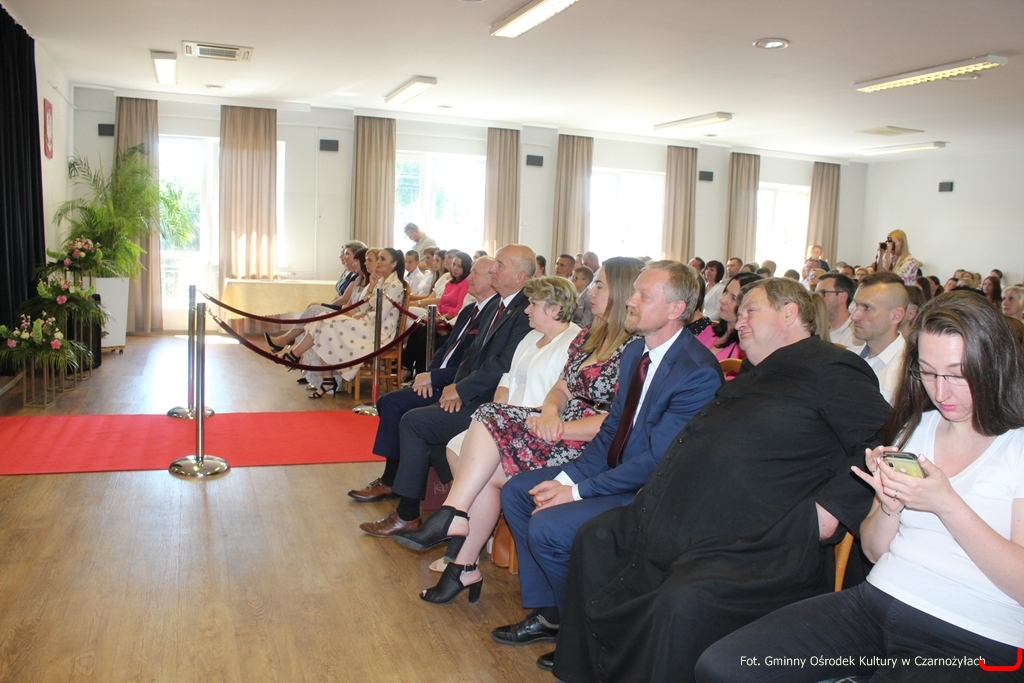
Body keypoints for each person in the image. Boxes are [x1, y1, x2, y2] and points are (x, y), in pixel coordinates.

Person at [552, 277, 891, 683]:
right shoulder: (756, 371)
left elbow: (882, 439)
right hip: (686, 518)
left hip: (754, 538)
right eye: (739, 311)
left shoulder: (830, 365)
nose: (739, 320)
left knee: (680, 600)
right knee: (596, 539)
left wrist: (831, 511)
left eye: (751, 310)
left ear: (789, 313)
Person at [697, 291, 1024, 683]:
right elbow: (872, 550)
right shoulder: (914, 430)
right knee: (723, 666)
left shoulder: (1016, 446)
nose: (940, 393)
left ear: (992, 365)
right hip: (877, 604)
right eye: (928, 372)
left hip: (975, 637)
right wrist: (889, 507)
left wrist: (948, 505)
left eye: (956, 374)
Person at [493, 261, 724, 672]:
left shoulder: (697, 373)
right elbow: (612, 431)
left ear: (676, 309)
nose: (630, 301)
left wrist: (575, 492)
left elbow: (657, 460)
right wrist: (567, 478)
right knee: (518, 492)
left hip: (651, 491)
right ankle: (554, 614)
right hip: (619, 473)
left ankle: (585, 632)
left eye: (643, 296)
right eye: (633, 292)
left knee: (548, 525)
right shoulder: (636, 352)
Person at [394, 279, 594, 604]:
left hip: (540, 429)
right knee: (457, 447)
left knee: (475, 463)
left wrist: (506, 420)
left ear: (554, 308)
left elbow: (560, 401)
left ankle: (458, 539)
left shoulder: (572, 341)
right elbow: (507, 378)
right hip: (510, 423)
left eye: (533, 304)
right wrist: (501, 414)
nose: (526, 310)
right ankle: (463, 550)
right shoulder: (531, 337)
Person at [357, 245, 537, 536]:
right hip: (472, 393)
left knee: (414, 422)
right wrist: (453, 387)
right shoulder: (497, 305)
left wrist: (461, 391)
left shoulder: (524, 310)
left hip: (493, 403)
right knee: (416, 420)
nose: (493, 269)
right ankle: (444, 508)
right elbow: (471, 356)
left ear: (519, 277)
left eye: (500, 265)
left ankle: (410, 514)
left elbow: (503, 365)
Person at [348, 258, 498, 504]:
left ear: (493, 280)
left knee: (395, 405)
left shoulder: (493, 316)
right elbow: (445, 349)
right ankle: (394, 477)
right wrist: (426, 374)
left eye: (476, 274)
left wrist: (436, 378)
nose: (468, 278)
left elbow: (472, 367)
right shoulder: (470, 310)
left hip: (455, 386)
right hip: (439, 380)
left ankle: (390, 481)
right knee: (387, 401)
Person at [276, 248, 406, 398]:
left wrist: (360, 316)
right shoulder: (381, 281)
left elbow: (379, 316)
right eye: (378, 258)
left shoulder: (394, 285)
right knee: (323, 321)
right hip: (366, 323)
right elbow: (362, 305)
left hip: (377, 332)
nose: (378, 262)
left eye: (383, 259)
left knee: (325, 322)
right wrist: (371, 286)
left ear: (393, 264)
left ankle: (295, 355)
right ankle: (326, 379)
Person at [263, 241, 367, 352]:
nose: (342, 256)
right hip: (341, 308)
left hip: (343, 310)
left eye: (347, 254)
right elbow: (339, 295)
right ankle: (293, 345)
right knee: (311, 310)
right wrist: (327, 304)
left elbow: (345, 299)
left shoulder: (357, 277)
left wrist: (327, 305)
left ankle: (287, 341)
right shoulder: (349, 273)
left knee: (312, 309)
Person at [849, 271, 909, 404]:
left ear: (896, 316)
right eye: (856, 305)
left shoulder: (908, 371)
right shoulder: (848, 358)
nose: (854, 316)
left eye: (867, 307)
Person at [710, 272, 762, 360]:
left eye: (734, 298)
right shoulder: (708, 330)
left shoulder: (745, 350)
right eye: (726, 292)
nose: (722, 300)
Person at [816, 272, 856, 346]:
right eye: (816, 295)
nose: (818, 299)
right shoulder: (816, 328)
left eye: (824, 293)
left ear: (843, 297)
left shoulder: (856, 334)